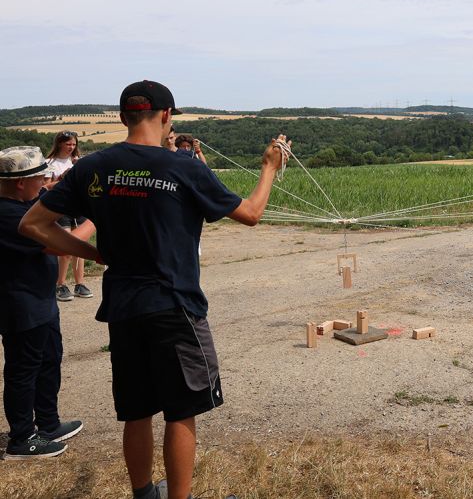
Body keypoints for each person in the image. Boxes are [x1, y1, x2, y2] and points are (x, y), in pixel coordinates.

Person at [19, 80, 290, 499]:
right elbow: (251, 214)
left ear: (123, 117)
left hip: (124, 307)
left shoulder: (92, 168)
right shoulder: (184, 166)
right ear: (166, 116)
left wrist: (92, 255)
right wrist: (270, 166)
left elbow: (33, 225)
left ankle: (144, 493)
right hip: (175, 305)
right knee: (181, 411)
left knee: (137, 410)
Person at [1, 146, 90, 459]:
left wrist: (61, 184)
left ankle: (48, 424)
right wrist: (94, 217)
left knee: (49, 360)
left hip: (41, 301)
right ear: (21, 183)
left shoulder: (22, 202)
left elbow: (47, 193)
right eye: (40, 178)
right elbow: (60, 244)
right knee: (23, 371)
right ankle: (22, 438)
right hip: (21, 306)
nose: (45, 182)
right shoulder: (9, 215)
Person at [45, 131, 93, 301]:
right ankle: (61, 284)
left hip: (78, 207)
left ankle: (80, 283)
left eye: (73, 144)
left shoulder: (78, 162)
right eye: (68, 144)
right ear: (59, 144)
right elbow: (44, 188)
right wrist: (63, 180)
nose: (71, 148)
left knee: (80, 247)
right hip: (60, 208)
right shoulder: (49, 163)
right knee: (65, 248)